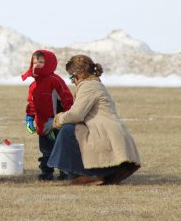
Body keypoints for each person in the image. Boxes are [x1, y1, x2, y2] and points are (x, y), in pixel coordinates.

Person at [48, 54, 141, 186]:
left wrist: (56, 120)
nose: (72, 81)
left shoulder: (88, 86)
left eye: (71, 76)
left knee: (67, 131)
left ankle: (91, 174)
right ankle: (104, 173)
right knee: (74, 130)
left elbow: (76, 115)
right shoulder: (95, 84)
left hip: (105, 135)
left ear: (80, 73)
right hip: (111, 135)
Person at [21, 50, 74, 181]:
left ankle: (65, 173)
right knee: (45, 151)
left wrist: (61, 120)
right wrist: (30, 117)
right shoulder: (33, 85)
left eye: (41, 62)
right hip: (42, 125)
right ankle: (46, 173)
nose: (37, 64)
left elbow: (67, 101)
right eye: (34, 62)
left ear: (49, 63)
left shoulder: (55, 81)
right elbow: (31, 103)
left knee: (61, 149)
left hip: (57, 124)